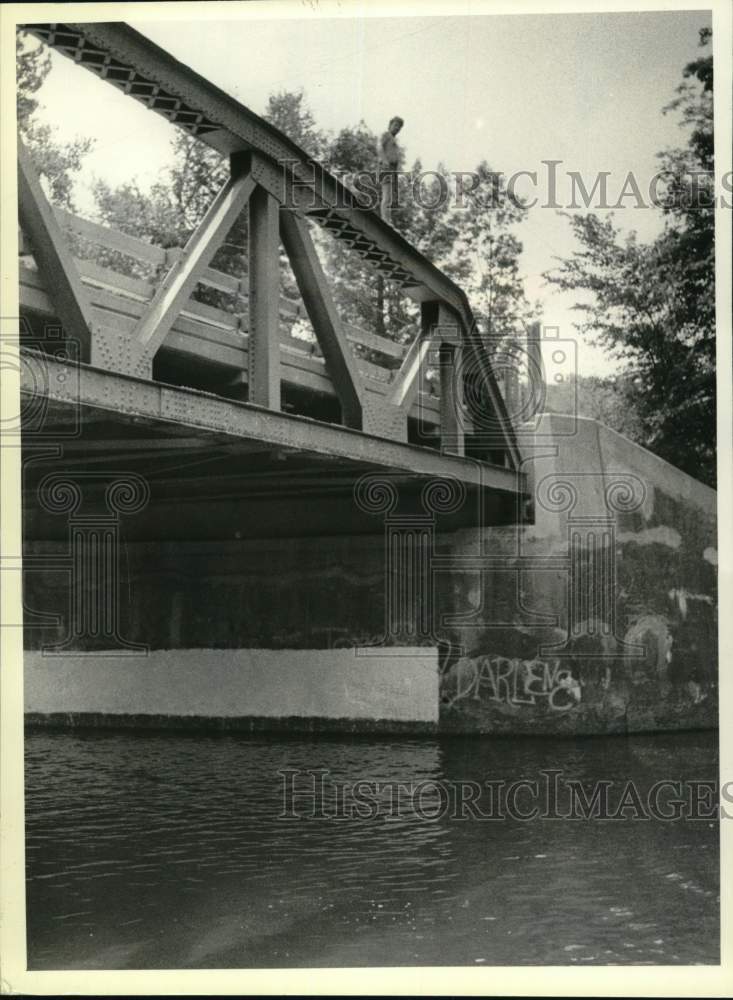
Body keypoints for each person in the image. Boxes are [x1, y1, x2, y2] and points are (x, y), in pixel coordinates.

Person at [377, 116, 404, 223]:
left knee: (390, 196)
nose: (397, 128)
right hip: (386, 168)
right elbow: (379, 147)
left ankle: (387, 218)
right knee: (387, 195)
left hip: (392, 170)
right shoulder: (386, 135)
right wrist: (384, 161)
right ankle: (385, 219)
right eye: (396, 125)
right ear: (390, 125)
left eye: (399, 127)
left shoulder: (394, 140)